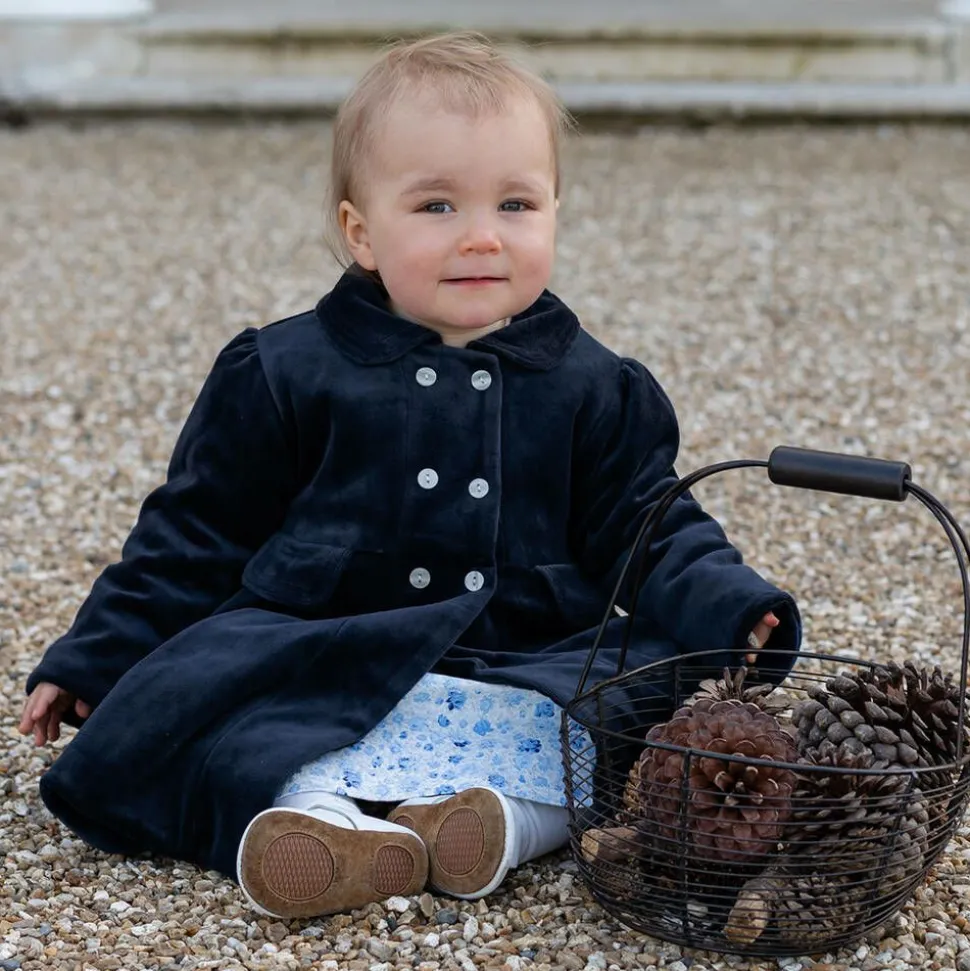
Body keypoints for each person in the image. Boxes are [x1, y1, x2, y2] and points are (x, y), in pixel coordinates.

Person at [18, 32, 800, 920]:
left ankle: (494, 823)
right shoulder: (287, 369)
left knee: (614, 715)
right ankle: (319, 829)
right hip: (321, 640)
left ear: (555, 212)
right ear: (362, 231)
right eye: (435, 206)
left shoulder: (592, 384)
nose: (480, 236)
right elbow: (193, 531)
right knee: (245, 721)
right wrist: (99, 653)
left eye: (515, 203)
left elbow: (649, 521)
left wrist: (731, 601)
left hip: (521, 654)